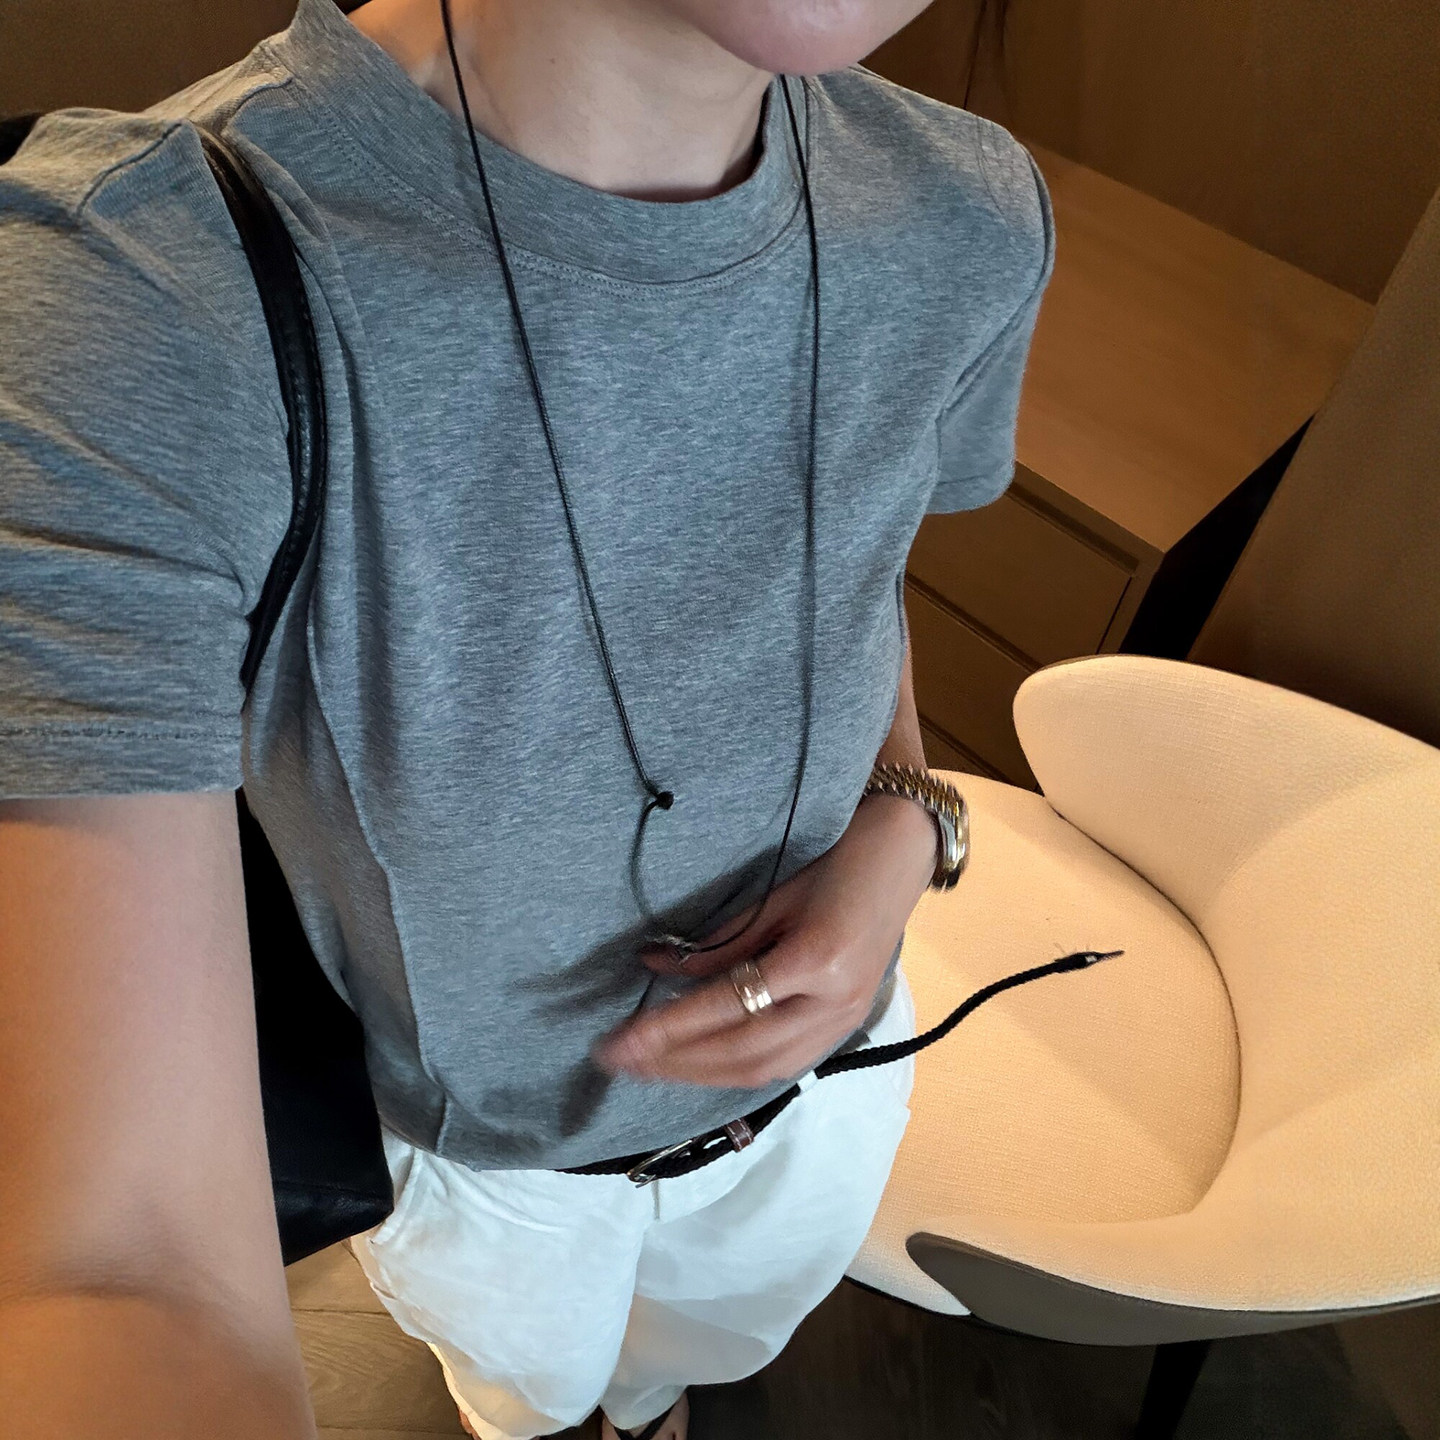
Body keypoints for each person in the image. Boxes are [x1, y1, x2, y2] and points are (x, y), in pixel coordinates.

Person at [0, 0, 1055, 1436]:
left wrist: (906, 812)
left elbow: (862, 569)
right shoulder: (140, 287)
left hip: (832, 1077)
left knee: (690, 1363)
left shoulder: (969, 211)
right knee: (533, 1398)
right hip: (489, 1168)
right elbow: (122, 1267)